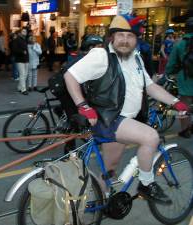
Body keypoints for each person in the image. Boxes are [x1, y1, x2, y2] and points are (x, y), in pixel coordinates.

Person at [64, 14, 189, 203]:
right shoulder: (101, 55)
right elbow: (70, 76)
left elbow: (150, 86)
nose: (124, 40)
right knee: (150, 137)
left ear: (136, 39)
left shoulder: (135, 58)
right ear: (111, 37)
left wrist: (175, 102)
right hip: (108, 119)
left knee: (110, 169)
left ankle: (101, 201)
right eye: (120, 35)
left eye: (130, 36)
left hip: (124, 122)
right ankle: (146, 184)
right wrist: (83, 106)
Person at [165, 17, 193, 138]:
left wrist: (171, 72)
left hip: (185, 80)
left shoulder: (179, 44)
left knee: (184, 106)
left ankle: (185, 131)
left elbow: (170, 65)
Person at [12, 28, 29, 95]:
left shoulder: (25, 40)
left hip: (26, 59)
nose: (25, 32)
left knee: (25, 74)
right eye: (23, 31)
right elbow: (14, 49)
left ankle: (19, 87)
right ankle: (23, 89)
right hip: (20, 60)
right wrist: (22, 52)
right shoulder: (16, 40)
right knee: (22, 74)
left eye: (26, 31)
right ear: (20, 33)